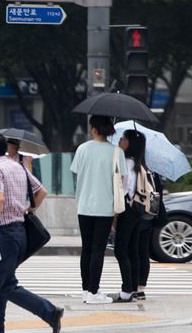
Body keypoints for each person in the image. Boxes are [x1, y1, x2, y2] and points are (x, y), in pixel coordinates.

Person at [0, 133, 63, 333]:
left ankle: (50, 312)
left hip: (5, 233)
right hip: (19, 232)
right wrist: (27, 209)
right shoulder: (17, 166)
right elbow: (41, 191)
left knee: (6, 284)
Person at [70, 115, 126, 304]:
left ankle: (87, 290)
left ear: (93, 129)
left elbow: (76, 171)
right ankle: (94, 291)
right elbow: (122, 181)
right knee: (98, 250)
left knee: (86, 249)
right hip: (105, 207)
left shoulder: (82, 149)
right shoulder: (117, 152)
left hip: (84, 205)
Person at [110, 129, 146, 302]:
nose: (121, 140)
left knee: (120, 250)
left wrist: (115, 216)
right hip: (138, 210)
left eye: (123, 138)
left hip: (127, 210)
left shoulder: (125, 163)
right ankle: (133, 289)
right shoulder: (140, 164)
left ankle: (126, 291)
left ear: (129, 143)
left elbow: (120, 191)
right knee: (132, 250)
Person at [136, 171, 168, 300]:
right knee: (143, 251)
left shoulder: (137, 168)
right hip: (148, 213)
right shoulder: (154, 172)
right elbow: (158, 192)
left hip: (136, 212)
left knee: (134, 251)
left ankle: (133, 286)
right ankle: (140, 288)